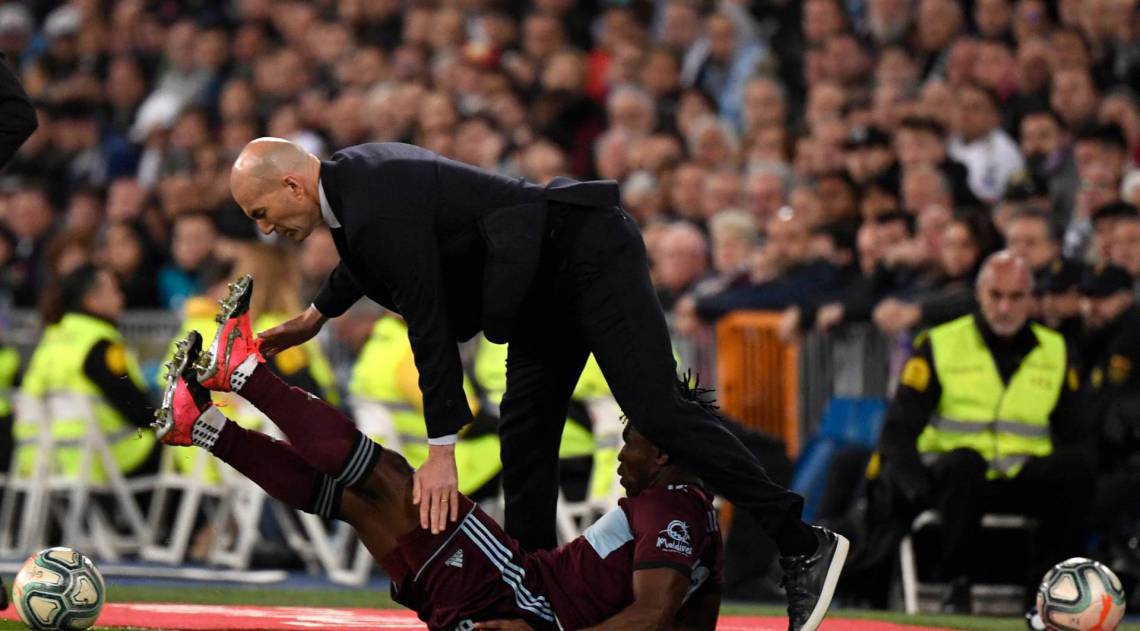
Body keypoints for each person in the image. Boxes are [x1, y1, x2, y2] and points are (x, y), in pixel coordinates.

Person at [227, 138, 846, 629]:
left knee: (658, 410)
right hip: (536, 292)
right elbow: (370, 255)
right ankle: (529, 603)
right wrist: (315, 318)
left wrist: (441, 448)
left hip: (585, 254)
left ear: (291, 184)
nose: (264, 228)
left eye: (261, 213)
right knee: (524, 438)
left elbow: (429, 319)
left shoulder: (370, 197)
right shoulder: (353, 182)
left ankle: (800, 542)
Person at [152, 297, 724, 631]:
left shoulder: (672, 507)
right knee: (355, 499)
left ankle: (244, 375)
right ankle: (205, 426)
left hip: (509, 590)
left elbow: (655, 610)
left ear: (666, 452)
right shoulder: (700, 521)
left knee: (384, 477)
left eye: (633, 443)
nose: (623, 456)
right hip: (490, 596)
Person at [872, 251, 1091, 613]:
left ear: (1031, 299)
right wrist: (912, 489)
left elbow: (1076, 431)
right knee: (965, 464)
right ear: (979, 294)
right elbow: (900, 427)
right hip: (954, 477)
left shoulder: (1056, 350)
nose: (1005, 307)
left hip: (1019, 475)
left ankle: (1048, 594)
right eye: (996, 295)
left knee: (1075, 467)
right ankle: (956, 586)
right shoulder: (940, 344)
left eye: (1016, 297)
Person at [17, 264, 158, 485]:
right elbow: (136, 408)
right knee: (182, 447)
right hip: (107, 458)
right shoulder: (99, 344)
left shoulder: (51, 340)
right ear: (92, 300)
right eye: (115, 292)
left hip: (43, 461)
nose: (121, 299)